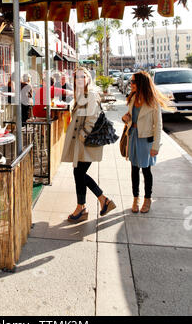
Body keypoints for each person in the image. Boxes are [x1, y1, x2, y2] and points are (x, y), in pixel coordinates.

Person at [61, 67, 116, 221]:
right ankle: (84, 206)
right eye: (76, 77)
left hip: (87, 141)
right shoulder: (81, 95)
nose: (79, 79)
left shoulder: (90, 94)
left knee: (79, 173)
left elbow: (92, 117)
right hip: (82, 142)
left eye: (82, 76)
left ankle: (100, 200)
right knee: (78, 173)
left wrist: (83, 136)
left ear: (87, 78)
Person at [122, 71, 168, 213]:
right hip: (133, 136)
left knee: (146, 171)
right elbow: (131, 116)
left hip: (146, 140)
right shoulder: (133, 97)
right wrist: (127, 117)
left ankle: (147, 199)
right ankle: (136, 198)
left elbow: (158, 126)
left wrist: (156, 146)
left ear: (141, 83)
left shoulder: (153, 102)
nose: (131, 84)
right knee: (134, 170)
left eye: (134, 82)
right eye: (131, 81)